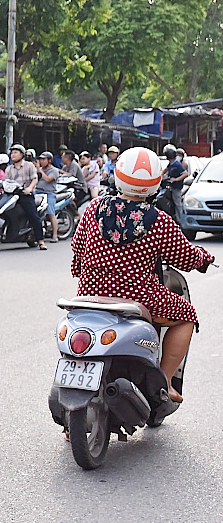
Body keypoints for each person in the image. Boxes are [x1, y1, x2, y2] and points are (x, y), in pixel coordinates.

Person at [71, 147, 214, 404]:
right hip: (138, 297)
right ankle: (165, 381)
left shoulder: (93, 210)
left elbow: (77, 248)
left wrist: (81, 270)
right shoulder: (158, 221)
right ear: (155, 182)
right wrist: (204, 258)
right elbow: (185, 257)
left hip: (90, 295)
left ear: (118, 175)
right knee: (187, 317)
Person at [4, 144, 46, 249]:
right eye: (12, 153)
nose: (13, 155)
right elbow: (6, 182)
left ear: (21, 155)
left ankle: (41, 241)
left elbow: (35, 179)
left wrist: (29, 188)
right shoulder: (9, 169)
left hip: (25, 195)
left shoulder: (29, 166)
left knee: (34, 216)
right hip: (12, 195)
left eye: (15, 152)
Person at [36, 151, 60, 242]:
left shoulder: (54, 170)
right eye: (40, 159)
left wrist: (39, 169)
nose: (41, 161)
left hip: (49, 193)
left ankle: (55, 235)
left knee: (51, 213)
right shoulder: (38, 169)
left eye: (43, 159)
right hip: (38, 192)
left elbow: (47, 179)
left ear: (49, 160)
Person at [162, 145, 188, 223]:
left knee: (178, 204)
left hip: (176, 187)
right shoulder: (172, 163)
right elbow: (166, 169)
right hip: (171, 185)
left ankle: (180, 221)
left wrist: (176, 179)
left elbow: (185, 174)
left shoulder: (177, 164)